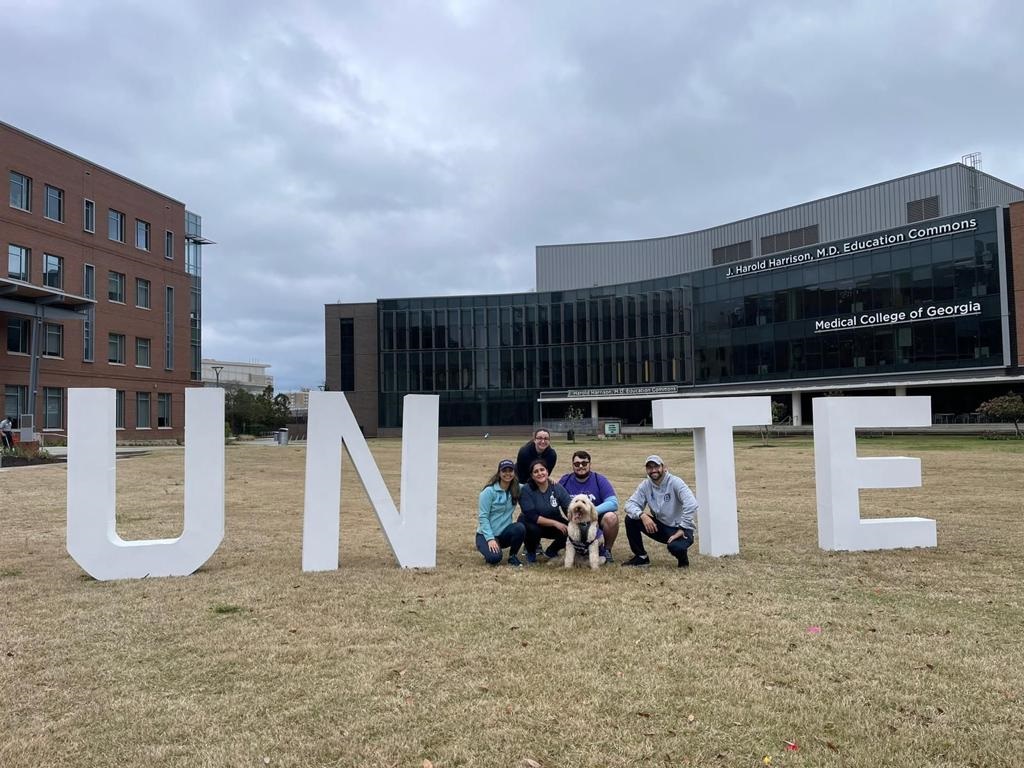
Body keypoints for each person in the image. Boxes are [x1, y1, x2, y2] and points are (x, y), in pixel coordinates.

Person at [622, 455, 698, 568]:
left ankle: (683, 561)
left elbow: (692, 504)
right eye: (649, 467)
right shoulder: (645, 485)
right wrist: (642, 515)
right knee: (631, 519)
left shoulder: (675, 482)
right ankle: (641, 557)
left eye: (656, 466)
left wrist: (682, 528)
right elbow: (629, 504)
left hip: (682, 528)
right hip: (662, 527)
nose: (653, 470)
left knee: (675, 547)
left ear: (664, 467)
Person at [558, 450, 619, 562]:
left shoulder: (599, 479)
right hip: (573, 520)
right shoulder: (565, 480)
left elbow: (613, 503)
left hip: (595, 520)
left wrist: (590, 512)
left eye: (584, 463)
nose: (581, 466)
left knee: (611, 517)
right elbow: (553, 497)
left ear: (590, 464)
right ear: (572, 465)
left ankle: (607, 551)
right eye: (577, 464)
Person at [518, 459, 572, 564]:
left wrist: (575, 522)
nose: (540, 473)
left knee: (571, 529)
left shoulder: (556, 487)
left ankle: (552, 551)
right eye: (536, 471)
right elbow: (532, 516)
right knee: (533, 529)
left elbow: (568, 508)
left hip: (552, 518)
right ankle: (531, 551)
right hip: (531, 522)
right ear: (532, 476)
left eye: (542, 470)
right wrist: (555, 523)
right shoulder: (526, 490)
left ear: (547, 472)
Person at [476, 459, 526, 567]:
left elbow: (532, 487)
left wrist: (548, 480)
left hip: (504, 534)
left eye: (510, 470)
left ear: (514, 472)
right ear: (499, 473)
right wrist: (490, 539)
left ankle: (512, 557)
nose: (507, 473)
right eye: (504, 471)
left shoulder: (517, 488)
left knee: (520, 527)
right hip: (485, 535)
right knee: (494, 559)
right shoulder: (488, 492)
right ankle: (490, 551)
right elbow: (483, 517)